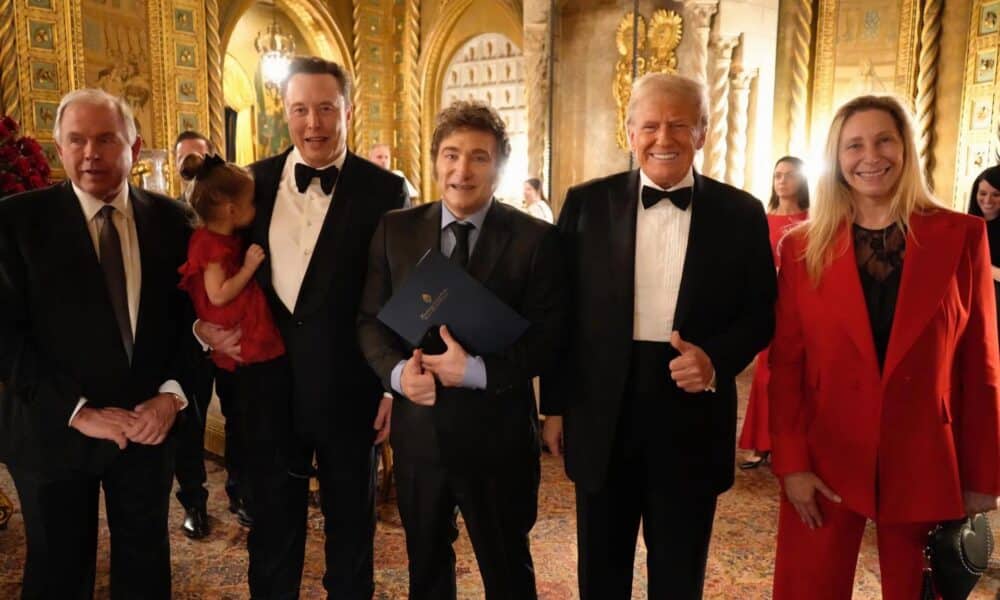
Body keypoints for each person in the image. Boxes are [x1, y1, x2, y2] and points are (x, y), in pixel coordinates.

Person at [542, 72, 776, 599]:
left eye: (679, 125)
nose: (663, 138)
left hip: (690, 411)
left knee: (678, 573)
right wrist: (554, 407)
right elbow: (561, 314)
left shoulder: (741, 212)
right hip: (603, 410)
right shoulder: (585, 203)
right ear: (629, 132)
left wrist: (715, 359)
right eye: (650, 125)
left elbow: (762, 312)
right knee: (600, 571)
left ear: (704, 132)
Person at [769, 95, 1000, 600]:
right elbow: (786, 363)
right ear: (837, 157)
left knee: (918, 592)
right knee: (809, 589)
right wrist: (791, 463)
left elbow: (980, 366)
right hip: (825, 454)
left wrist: (983, 473)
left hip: (927, 454)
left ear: (906, 149)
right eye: (854, 145)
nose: (870, 156)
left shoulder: (962, 237)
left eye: (884, 140)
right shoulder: (801, 247)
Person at [196, 56, 408, 599]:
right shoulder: (250, 183)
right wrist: (204, 328)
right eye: (299, 110)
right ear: (284, 112)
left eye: (325, 108)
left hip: (349, 389)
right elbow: (212, 266)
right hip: (264, 392)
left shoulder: (386, 190)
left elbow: (397, 294)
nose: (313, 123)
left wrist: (391, 383)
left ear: (347, 110)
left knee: (351, 532)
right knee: (270, 530)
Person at [358, 101, 568, 600]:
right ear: (434, 160)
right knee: (425, 568)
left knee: (507, 571)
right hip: (420, 436)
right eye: (451, 154)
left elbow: (548, 339)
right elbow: (369, 320)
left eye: (479, 157)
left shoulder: (536, 239)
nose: (462, 169)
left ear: (499, 166)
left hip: (498, 438)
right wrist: (395, 378)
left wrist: (476, 370)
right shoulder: (396, 229)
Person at [0, 88, 194, 598]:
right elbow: (5, 337)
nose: (92, 153)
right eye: (77, 140)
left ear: (134, 144)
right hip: (52, 430)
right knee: (57, 573)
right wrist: (79, 411)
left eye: (106, 138)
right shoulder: (15, 223)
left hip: (146, 430)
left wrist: (170, 396)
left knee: (146, 569)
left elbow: (192, 328)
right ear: (59, 149)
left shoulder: (175, 221)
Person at [170, 131, 253, 539]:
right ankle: (194, 503)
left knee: (239, 416)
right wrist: (200, 328)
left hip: (235, 338)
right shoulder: (170, 217)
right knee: (190, 422)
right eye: (186, 161)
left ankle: (240, 491)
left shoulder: (234, 222)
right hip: (192, 343)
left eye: (198, 159)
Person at [738, 156, 809, 470]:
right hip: (769, 302)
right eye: (777, 175)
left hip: (801, 304)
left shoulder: (814, 219)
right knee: (766, 373)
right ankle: (761, 442)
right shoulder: (761, 220)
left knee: (797, 373)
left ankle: (789, 442)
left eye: (790, 175)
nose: (782, 181)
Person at [968, 164, 1000, 336]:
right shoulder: (967, 225)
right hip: (969, 298)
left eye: (996, 194)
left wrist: (983, 267)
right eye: (983, 193)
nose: (988, 200)